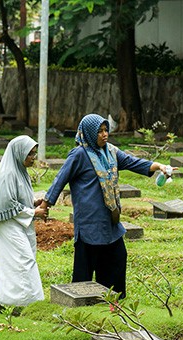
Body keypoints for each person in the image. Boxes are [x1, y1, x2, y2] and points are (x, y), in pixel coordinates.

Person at [39, 114, 174, 299]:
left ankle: (113, 301)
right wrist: (45, 205)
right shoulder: (79, 154)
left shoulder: (111, 151)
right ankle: (79, 303)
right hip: (89, 222)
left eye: (106, 130)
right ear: (88, 133)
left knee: (117, 259)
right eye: (100, 131)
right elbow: (60, 179)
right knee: (85, 269)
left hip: (111, 219)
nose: (104, 135)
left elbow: (133, 162)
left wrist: (159, 166)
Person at [0, 135, 48, 312]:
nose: (33, 157)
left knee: (7, 261)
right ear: (19, 153)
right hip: (5, 223)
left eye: (34, 153)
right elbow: (8, 204)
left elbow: (17, 197)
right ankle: (28, 302)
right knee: (23, 259)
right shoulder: (7, 174)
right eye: (30, 154)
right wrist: (33, 212)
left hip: (13, 221)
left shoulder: (18, 170)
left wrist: (33, 202)